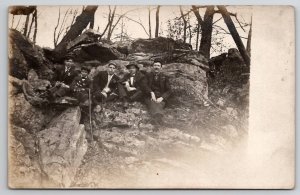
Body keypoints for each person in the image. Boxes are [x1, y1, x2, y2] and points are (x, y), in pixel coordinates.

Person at [144, 60, 171, 126]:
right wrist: (151, 92)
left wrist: (162, 97)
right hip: (149, 96)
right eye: (155, 65)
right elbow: (144, 86)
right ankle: (158, 120)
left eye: (158, 66)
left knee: (159, 103)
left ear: (161, 68)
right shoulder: (147, 75)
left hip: (160, 96)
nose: (156, 67)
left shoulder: (165, 77)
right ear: (152, 67)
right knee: (152, 102)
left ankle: (157, 120)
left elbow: (169, 90)